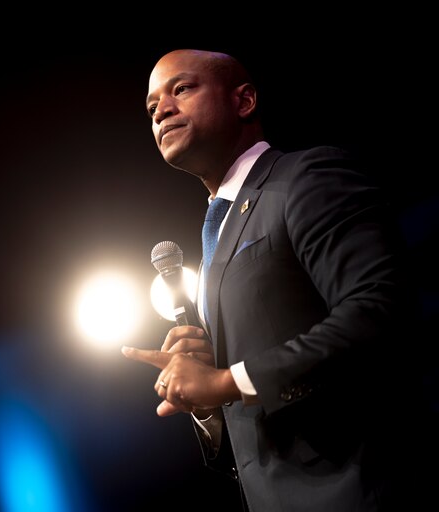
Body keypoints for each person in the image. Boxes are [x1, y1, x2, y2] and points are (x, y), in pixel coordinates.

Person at [121, 49, 431, 511]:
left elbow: (380, 309)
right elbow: (252, 427)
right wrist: (206, 403)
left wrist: (227, 380)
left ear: (243, 101)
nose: (161, 110)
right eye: (151, 108)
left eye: (181, 89)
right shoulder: (215, 240)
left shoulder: (306, 177)